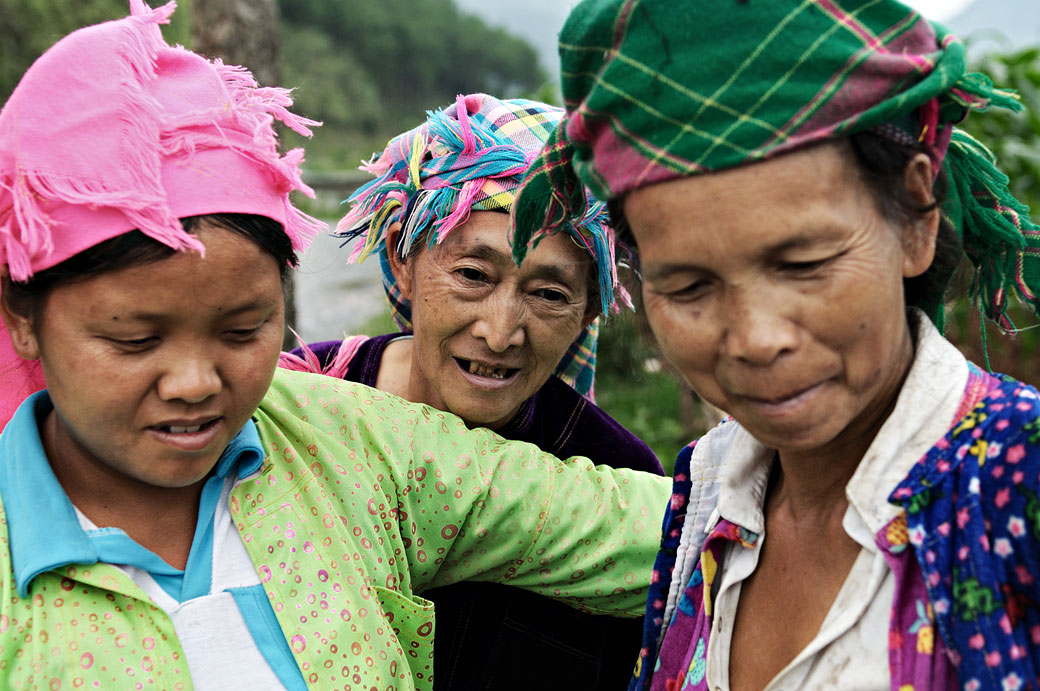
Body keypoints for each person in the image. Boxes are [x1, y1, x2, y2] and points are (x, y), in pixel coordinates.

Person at [0, 3, 671, 689]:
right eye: (135, 339)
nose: (196, 382)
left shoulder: (344, 445)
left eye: (242, 329)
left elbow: (656, 532)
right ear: (21, 312)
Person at [510, 1, 1040, 689]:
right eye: (690, 286)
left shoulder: (1018, 482)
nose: (757, 341)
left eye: (804, 264)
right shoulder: (707, 486)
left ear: (915, 216)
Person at [281, 93, 663, 690]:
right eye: (472, 275)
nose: (500, 332)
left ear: (589, 310)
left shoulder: (616, 473)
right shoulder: (303, 402)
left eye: (548, 294)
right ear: (403, 264)